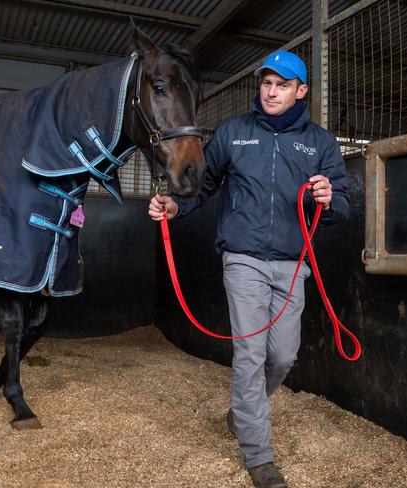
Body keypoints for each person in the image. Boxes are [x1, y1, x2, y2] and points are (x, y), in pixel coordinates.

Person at [149, 51, 349, 488]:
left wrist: (328, 197)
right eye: (266, 83)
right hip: (242, 259)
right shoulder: (233, 134)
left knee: (282, 356)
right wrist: (174, 205)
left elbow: (344, 205)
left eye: (282, 84)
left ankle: (242, 412)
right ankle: (259, 456)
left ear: (301, 91)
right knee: (251, 354)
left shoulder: (320, 143)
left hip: (294, 264)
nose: (272, 91)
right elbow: (202, 189)